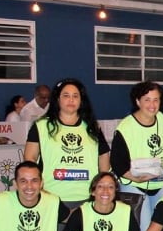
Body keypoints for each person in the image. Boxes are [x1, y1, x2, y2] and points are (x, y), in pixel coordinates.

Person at [24, 78, 111, 208]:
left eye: (75, 96)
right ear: (57, 99)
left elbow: (103, 157)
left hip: (87, 196)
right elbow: (29, 158)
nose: (71, 100)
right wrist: (38, 187)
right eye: (66, 96)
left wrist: (103, 187)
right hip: (51, 196)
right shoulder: (41, 126)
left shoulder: (92, 127)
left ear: (81, 100)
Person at [111, 81, 163, 231]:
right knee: (143, 230)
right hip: (134, 184)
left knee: (162, 228)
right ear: (138, 101)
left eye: (156, 100)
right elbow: (117, 162)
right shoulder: (125, 127)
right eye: (147, 100)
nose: (152, 105)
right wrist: (136, 178)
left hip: (161, 183)